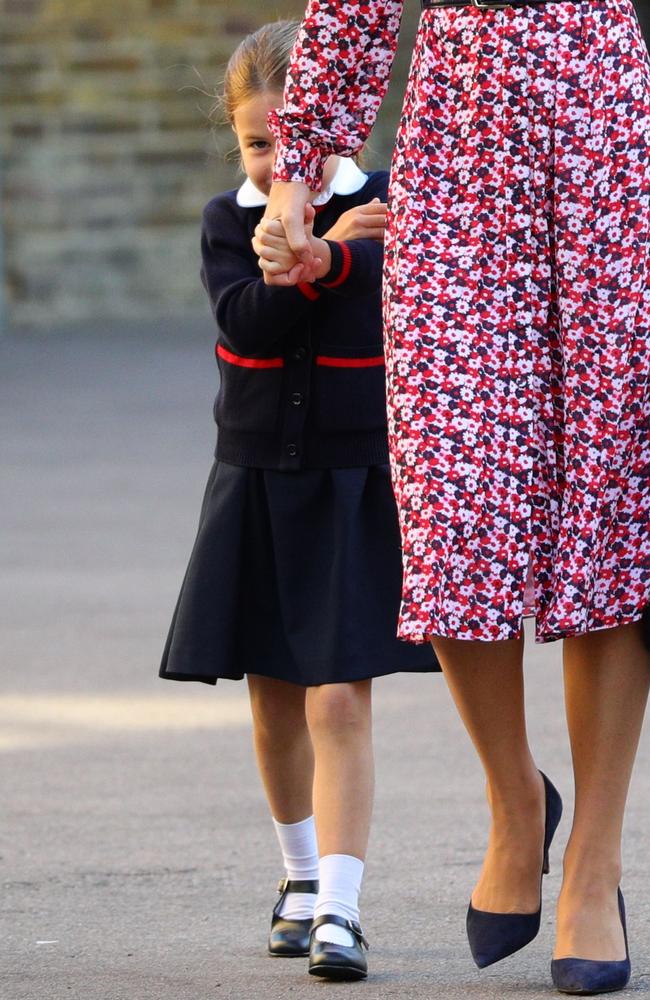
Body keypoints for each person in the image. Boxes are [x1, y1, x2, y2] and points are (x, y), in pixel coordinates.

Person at [255, 0, 650, 994]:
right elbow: (353, 9)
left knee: (606, 509)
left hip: (606, 134)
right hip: (459, 158)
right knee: (455, 504)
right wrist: (294, 177)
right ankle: (517, 799)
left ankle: (592, 868)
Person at [159, 19, 439, 983]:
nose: (282, 158)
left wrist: (336, 258)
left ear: (345, 130)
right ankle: (301, 880)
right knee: (275, 703)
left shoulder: (390, 209)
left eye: (299, 139)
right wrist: (306, 250)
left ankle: (344, 911)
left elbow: (394, 302)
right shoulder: (225, 221)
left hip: (353, 485)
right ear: (239, 143)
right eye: (258, 142)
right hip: (253, 483)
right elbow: (246, 325)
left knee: (340, 704)